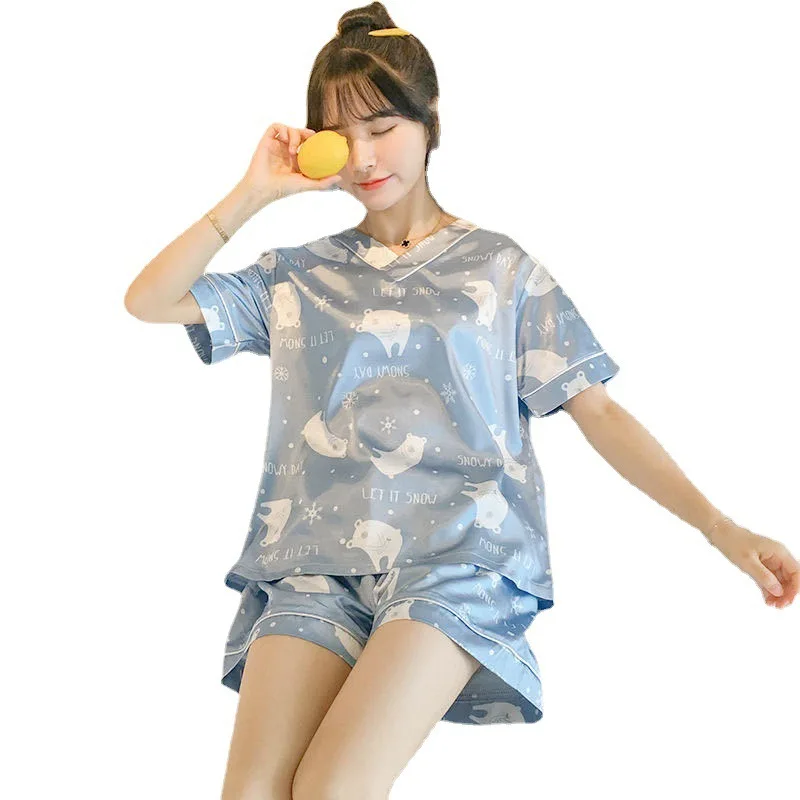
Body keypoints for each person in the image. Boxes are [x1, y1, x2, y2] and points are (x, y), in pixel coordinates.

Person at [124, 3, 799, 798]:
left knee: (332, 788)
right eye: (343, 135)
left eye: (383, 127)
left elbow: (601, 413)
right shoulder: (296, 276)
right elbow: (149, 300)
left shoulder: (500, 271)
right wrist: (253, 192)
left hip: (457, 557)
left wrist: (721, 528)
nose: (365, 156)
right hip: (313, 560)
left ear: (430, 119)